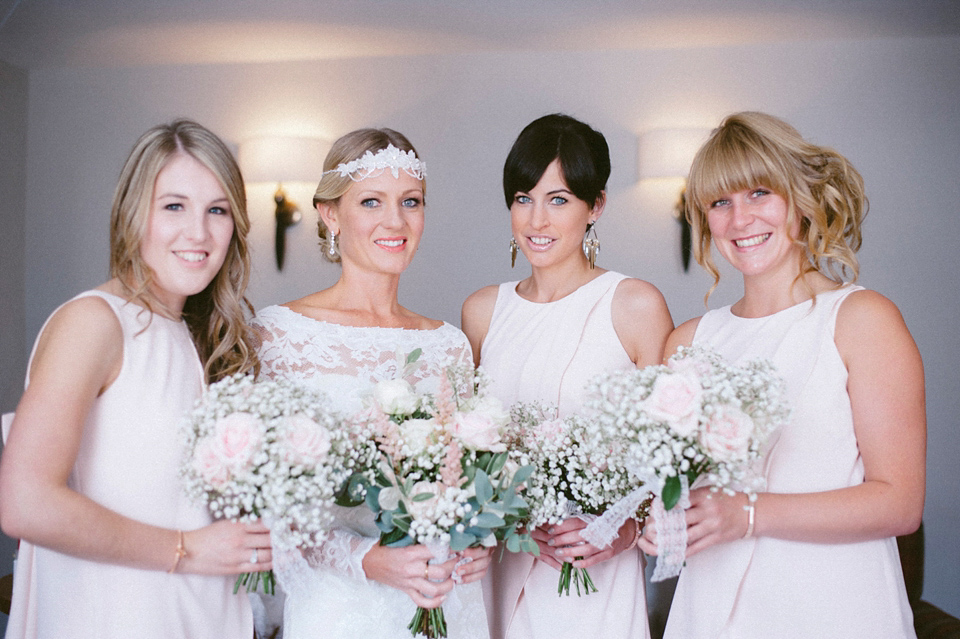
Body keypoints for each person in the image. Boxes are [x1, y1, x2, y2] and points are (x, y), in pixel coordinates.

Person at [639, 111, 925, 638]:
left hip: (833, 605)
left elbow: (900, 502)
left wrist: (746, 514)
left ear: (800, 199)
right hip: (711, 609)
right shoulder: (687, 342)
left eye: (759, 193)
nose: (739, 219)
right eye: (720, 202)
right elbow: (664, 490)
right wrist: (657, 524)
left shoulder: (862, 319)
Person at [0, 119, 269, 639]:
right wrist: (187, 551)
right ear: (133, 212)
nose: (199, 232)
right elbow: (24, 502)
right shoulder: (95, 322)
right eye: (174, 206)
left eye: (217, 210)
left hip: (201, 617)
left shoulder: (195, 337)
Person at [251, 128, 493, 639]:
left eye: (411, 201)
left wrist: (479, 543)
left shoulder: (449, 343)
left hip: (447, 603)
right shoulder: (278, 335)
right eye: (371, 201)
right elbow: (264, 505)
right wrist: (365, 559)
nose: (395, 221)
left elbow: (466, 478)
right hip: (338, 608)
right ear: (330, 214)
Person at [462, 113, 673, 639]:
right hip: (499, 562)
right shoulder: (483, 311)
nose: (536, 220)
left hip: (589, 571)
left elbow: (672, 456)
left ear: (594, 205)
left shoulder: (634, 304)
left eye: (558, 200)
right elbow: (464, 453)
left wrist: (622, 529)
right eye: (522, 198)